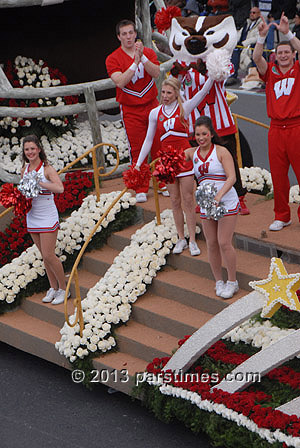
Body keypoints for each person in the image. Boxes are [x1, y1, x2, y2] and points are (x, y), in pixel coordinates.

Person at [136, 76, 214, 256]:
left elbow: (202, 93)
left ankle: (193, 240)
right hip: (166, 162)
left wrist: (212, 75)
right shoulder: (155, 113)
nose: (165, 96)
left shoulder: (183, 108)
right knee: (174, 200)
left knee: (188, 199)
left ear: (176, 93)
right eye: (163, 92)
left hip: (184, 159)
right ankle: (181, 238)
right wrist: (139, 163)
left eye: (169, 93)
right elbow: (148, 139)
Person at [171, 64, 250, 214]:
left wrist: (205, 66)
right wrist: (177, 72)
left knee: (230, 160)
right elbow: (172, 86)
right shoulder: (183, 65)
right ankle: (204, 196)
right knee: (198, 162)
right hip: (195, 124)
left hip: (220, 122)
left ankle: (239, 196)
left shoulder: (215, 58)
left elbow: (227, 70)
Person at [105, 19, 161, 203]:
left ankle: (162, 181)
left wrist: (142, 58)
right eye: (124, 34)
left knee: (159, 143)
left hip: (152, 104)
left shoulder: (149, 52)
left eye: (131, 33)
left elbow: (156, 73)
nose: (128, 37)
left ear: (135, 34)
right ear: (118, 37)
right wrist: (134, 64)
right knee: (137, 148)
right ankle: (141, 186)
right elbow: (120, 82)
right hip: (131, 109)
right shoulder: (113, 58)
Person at [253, 12, 300, 230]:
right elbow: (256, 58)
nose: (282, 55)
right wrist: (262, 37)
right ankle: (282, 215)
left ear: (293, 54)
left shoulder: (298, 70)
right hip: (276, 129)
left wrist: (287, 33)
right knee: (279, 176)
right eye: (279, 52)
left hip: (296, 127)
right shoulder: (270, 72)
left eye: (286, 52)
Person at [185, 116, 240, 298]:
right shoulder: (191, 153)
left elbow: (232, 177)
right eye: (198, 134)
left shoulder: (222, 152)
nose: (201, 138)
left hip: (225, 200)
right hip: (206, 202)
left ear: (211, 134)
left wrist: (219, 195)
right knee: (211, 243)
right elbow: (172, 160)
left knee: (224, 242)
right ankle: (218, 280)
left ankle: (232, 281)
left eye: (204, 134)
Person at [21, 135, 68, 305]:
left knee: (49, 254)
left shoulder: (47, 169)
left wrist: (41, 182)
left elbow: (60, 188)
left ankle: (64, 288)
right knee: (44, 256)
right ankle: (53, 288)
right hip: (32, 215)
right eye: (27, 149)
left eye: (33, 148)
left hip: (47, 214)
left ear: (39, 149)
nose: (30, 152)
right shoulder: (24, 169)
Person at [226, 6, 263, 84]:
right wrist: (233, 41)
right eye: (250, 12)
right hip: (242, 45)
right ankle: (232, 75)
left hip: (250, 46)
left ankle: (247, 72)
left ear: (259, 14)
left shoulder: (261, 24)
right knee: (233, 50)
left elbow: (258, 37)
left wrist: (244, 43)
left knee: (242, 55)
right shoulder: (247, 23)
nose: (251, 14)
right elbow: (239, 34)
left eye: (254, 12)